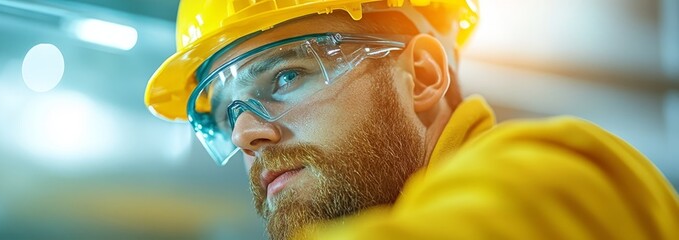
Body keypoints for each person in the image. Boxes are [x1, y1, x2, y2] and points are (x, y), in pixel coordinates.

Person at [143, 0, 679, 239]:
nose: (245, 135)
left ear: (421, 75)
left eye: (285, 77)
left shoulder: (569, 178)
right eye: (226, 111)